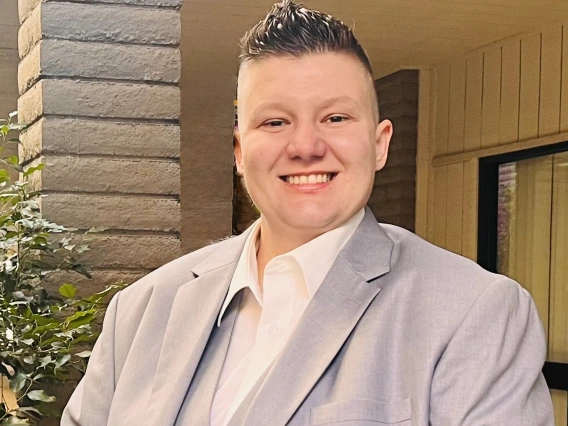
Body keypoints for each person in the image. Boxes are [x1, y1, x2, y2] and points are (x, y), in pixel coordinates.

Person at [61, 1, 554, 425]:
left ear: (379, 143)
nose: (305, 146)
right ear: (239, 150)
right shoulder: (143, 309)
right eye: (275, 121)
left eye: (335, 118)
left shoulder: (475, 314)